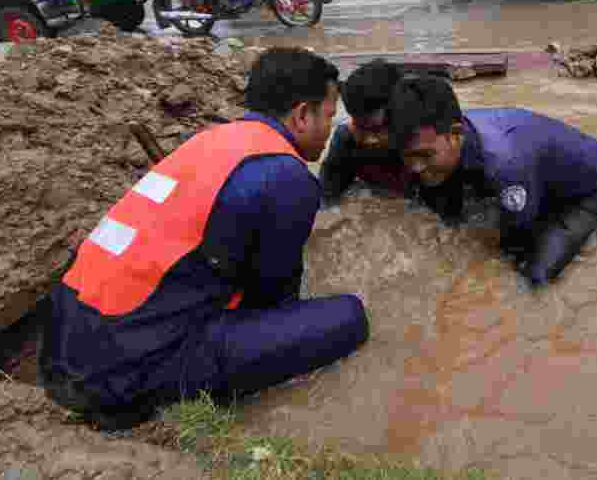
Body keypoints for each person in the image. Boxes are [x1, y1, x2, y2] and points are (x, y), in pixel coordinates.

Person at [39, 48, 369, 430]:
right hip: (116, 378)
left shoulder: (213, 141)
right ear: (301, 115)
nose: (330, 130)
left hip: (62, 343)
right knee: (349, 317)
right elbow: (274, 299)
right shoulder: (286, 174)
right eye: (328, 117)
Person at [388, 75, 597, 286]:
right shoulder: (437, 136)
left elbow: (516, 240)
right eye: (407, 156)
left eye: (424, 156)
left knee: (534, 273)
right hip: (531, 171)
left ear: (456, 134)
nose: (415, 167)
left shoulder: (505, 164)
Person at [319, 58, 415, 203]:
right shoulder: (347, 139)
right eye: (360, 127)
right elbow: (325, 198)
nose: (369, 139)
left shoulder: (424, 141)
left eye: (376, 129)